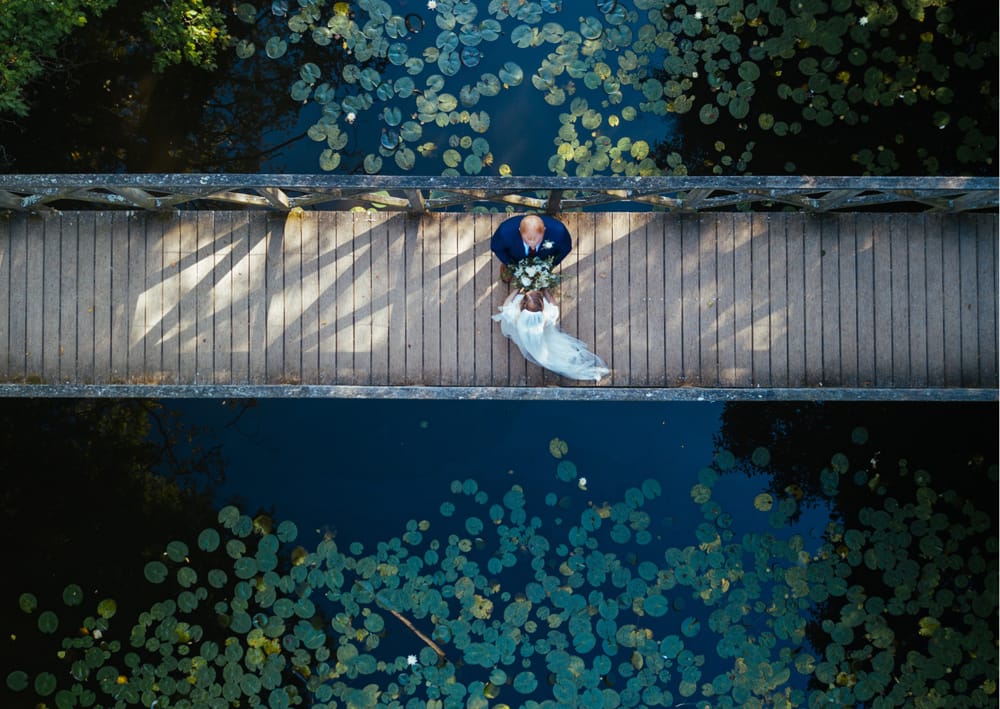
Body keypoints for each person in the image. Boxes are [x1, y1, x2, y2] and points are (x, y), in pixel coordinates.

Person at [492, 289, 609, 382]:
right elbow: (554, 305)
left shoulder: (515, 316)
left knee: (508, 314)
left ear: (523, 304)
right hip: (540, 334)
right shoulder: (546, 316)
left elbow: (506, 304)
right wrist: (546, 289)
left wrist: (517, 288)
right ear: (541, 305)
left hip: (523, 334)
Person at [491, 214, 572, 282]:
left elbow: (566, 249)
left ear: (544, 230)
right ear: (520, 230)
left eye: (537, 239)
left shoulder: (559, 233)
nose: (532, 244)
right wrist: (510, 264)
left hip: (543, 258)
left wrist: (550, 265)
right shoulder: (505, 232)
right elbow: (497, 248)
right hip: (515, 257)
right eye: (528, 239)